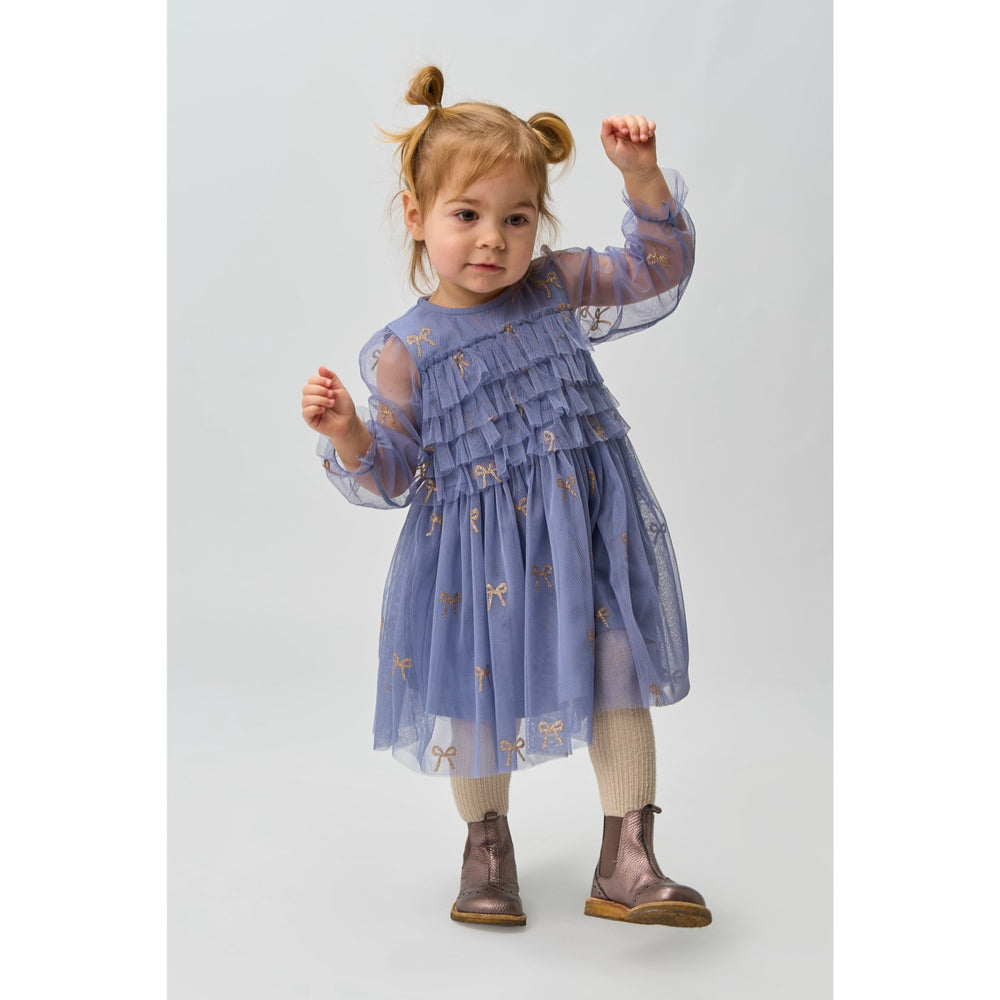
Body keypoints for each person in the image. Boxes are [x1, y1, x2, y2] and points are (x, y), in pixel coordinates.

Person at [300, 66, 709, 929]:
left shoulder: (555, 286)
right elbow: (394, 473)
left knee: (618, 666)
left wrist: (640, 176)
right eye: (467, 215)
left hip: (584, 538)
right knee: (475, 690)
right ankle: (487, 849)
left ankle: (628, 858)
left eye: (517, 218)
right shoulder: (408, 349)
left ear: (539, 224)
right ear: (416, 217)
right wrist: (349, 432)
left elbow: (656, 269)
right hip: (474, 557)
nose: (493, 239)